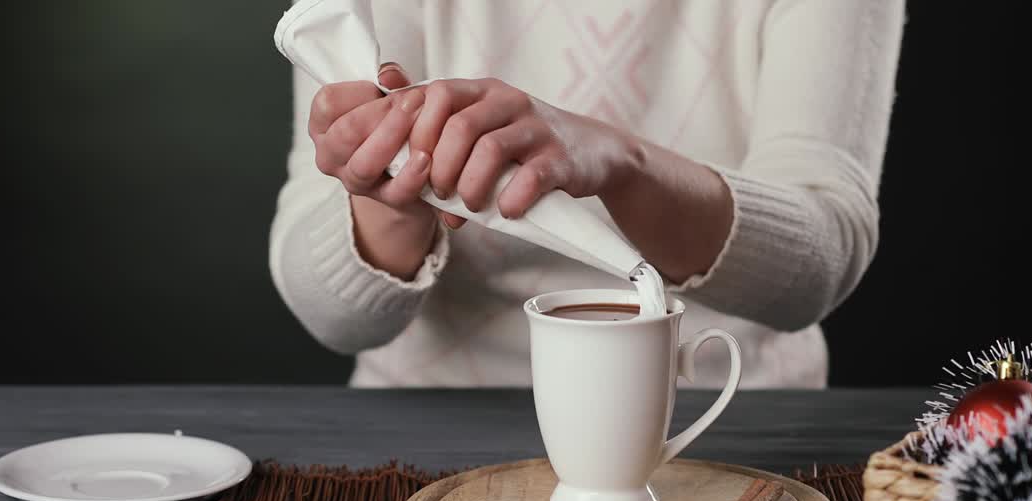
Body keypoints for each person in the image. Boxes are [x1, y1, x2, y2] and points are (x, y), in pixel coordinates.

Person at [270, 0, 903, 388]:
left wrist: (625, 165)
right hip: (428, 436)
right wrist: (393, 192)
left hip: (735, 423)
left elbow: (820, 262)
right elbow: (333, 317)